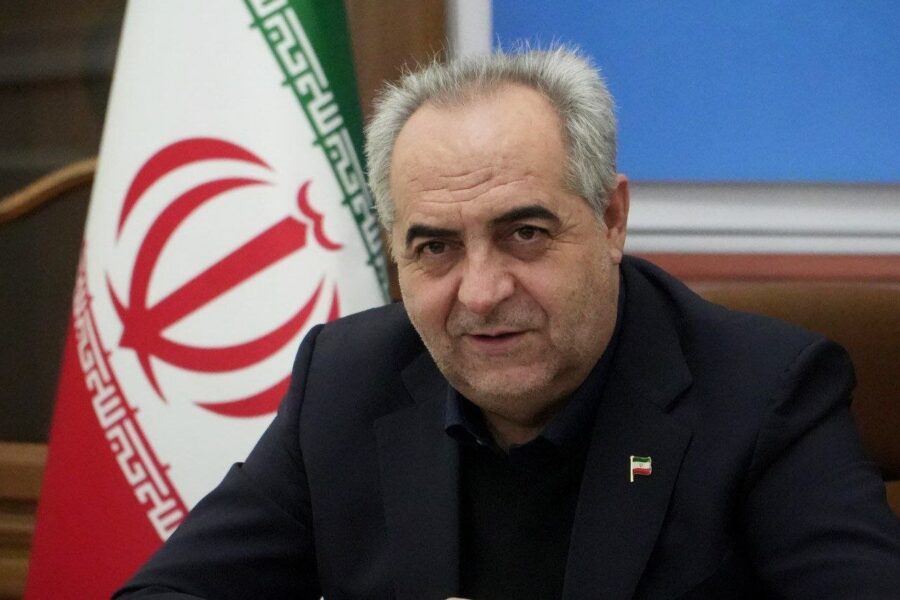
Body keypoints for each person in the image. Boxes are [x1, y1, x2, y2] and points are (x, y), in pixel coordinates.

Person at [115, 47, 900, 599]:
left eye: (525, 233)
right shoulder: (345, 380)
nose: (483, 292)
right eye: (436, 247)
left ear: (611, 218)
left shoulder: (765, 395)